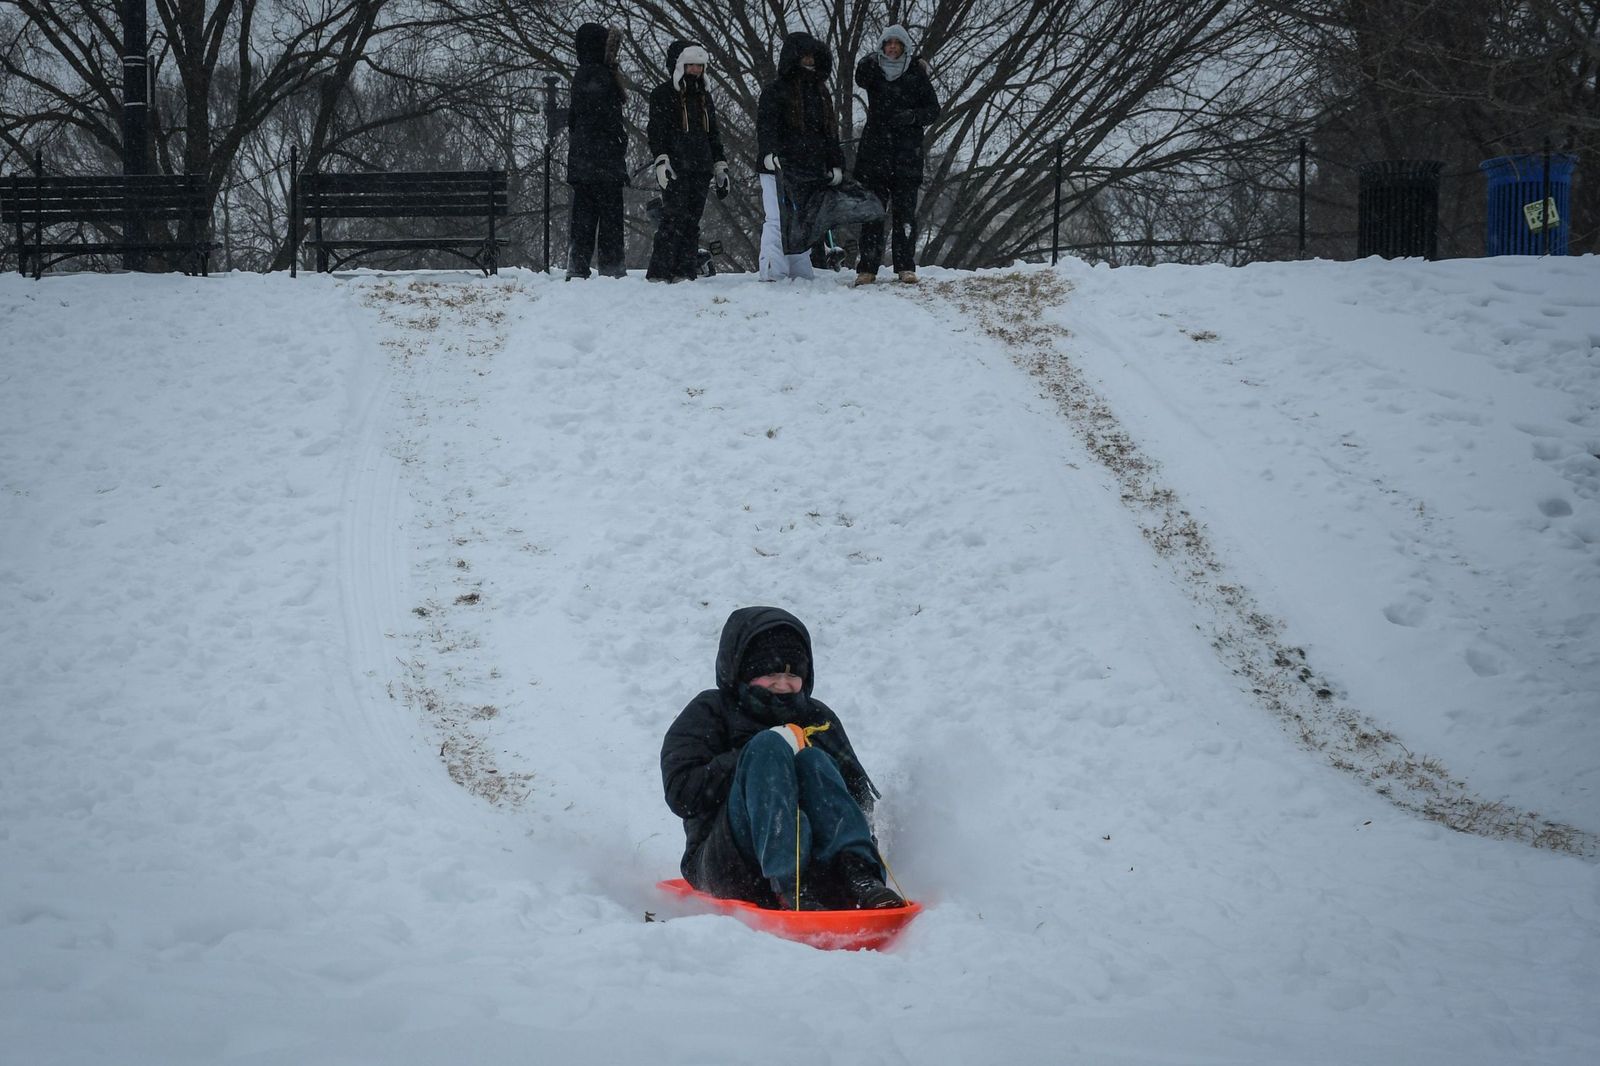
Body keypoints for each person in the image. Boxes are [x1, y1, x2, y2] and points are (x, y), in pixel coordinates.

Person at [661, 606, 905, 911]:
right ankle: (788, 884)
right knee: (769, 746)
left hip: (818, 866)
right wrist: (753, 758)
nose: (783, 684)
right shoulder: (711, 711)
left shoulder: (816, 716)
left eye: (793, 674)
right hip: (730, 865)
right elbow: (682, 794)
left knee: (813, 761)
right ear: (742, 671)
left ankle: (859, 878)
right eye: (770, 673)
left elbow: (856, 799)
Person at [852, 24, 940, 285]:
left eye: (897, 43)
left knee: (905, 214)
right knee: (872, 212)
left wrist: (913, 117)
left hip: (906, 155)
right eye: (887, 43)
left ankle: (905, 266)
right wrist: (867, 59)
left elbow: (933, 109)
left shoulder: (916, 74)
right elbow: (859, 78)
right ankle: (867, 267)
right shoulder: (873, 71)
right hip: (875, 153)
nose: (892, 47)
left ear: (904, 46)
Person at [754, 32, 846, 282]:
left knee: (802, 220)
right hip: (779, 166)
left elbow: (829, 132)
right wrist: (769, 153)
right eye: (804, 55)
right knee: (776, 218)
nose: (809, 60)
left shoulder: (820, 93)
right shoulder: (775, 91)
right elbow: (766, 125)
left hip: (810, 168)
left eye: (812, 55)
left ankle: (799, 270)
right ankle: (773, 269)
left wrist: (835, 163)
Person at [645, 39, 728, 282]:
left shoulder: (704, 97)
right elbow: (656, 131)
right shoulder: (662, 94)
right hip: (676, 166)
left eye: (699, 66)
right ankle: (660, 273)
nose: (695, 70)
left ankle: (684, 270)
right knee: (673, 218)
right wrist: (661, 159)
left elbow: (713, 134)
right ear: (680, 65)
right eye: (691, 65)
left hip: (701, 167)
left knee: (692, 220)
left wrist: (720, 164)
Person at [565, 22, 628, 279]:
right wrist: (618, 141)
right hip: (604, 162)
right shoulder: (600, 76)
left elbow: (575, 119)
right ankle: (611, 266)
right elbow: (605, 119)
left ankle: (578, 265)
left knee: (584, 216)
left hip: (585, 162)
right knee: (609, 217)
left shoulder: (583, 75)